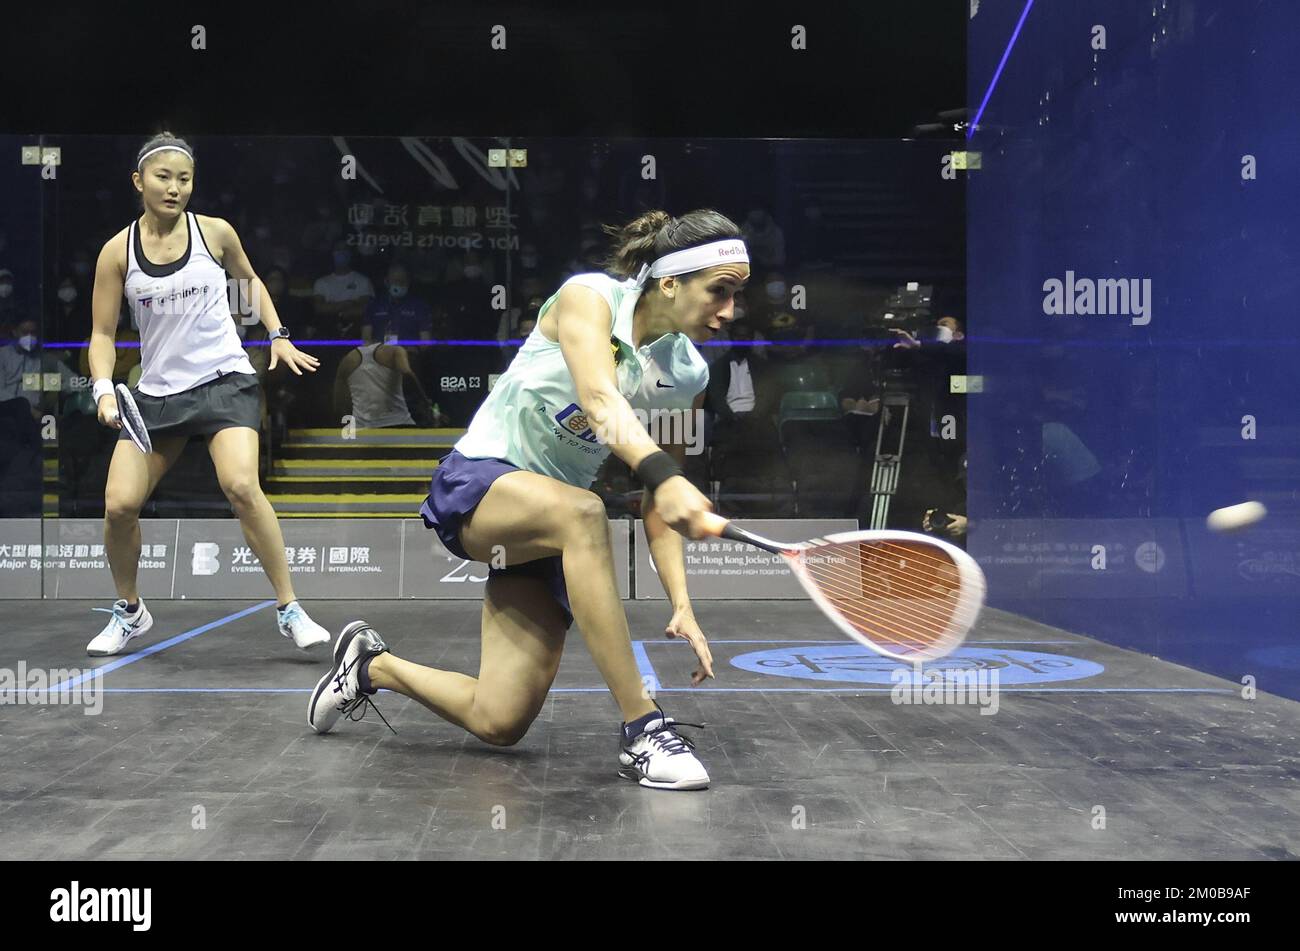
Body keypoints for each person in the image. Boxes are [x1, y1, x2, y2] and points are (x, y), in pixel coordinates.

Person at [308, 209, 750, 791]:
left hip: (548, 530)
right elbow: (599, 400)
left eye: (736, 297)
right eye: (719, 291)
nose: (729, 312)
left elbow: (656, 503)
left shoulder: (686, 371)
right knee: (585, 511)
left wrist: (682, 602)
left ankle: (371, 667)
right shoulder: (589, 298)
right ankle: (642, 728)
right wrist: (666, 475)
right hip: (482, 485)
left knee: (500, 720)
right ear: (670, 281)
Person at [85, 131, 332, 656]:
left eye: (184, 179)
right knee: (118, 506)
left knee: (240, 485)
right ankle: (130, 611)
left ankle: (290, 609)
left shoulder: (215, 233)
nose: (174, 188)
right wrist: (104, 390)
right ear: (139, 181)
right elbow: (103, 334)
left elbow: (250, 282)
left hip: (224, 381)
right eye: (163, 177)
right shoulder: (116, 252)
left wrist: (277, 333)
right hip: (156, 396)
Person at [333, 340, 436, 428]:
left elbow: (339, 402)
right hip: (399, 424)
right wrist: (426, 402)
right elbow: (407, 373)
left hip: (363, 428)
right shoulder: (396, 351)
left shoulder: (347, 360)